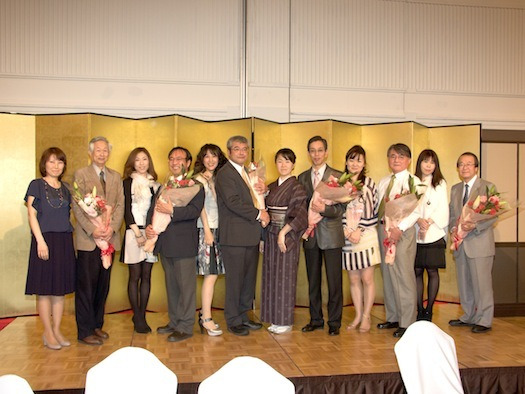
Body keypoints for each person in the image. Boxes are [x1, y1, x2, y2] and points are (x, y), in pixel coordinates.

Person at [146, 147, 205, 342]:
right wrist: (149, 227)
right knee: (171, 286)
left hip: (183, 243)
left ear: (188, 163)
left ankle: (186, 326)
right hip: (165, 242)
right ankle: (174, 321)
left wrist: (173, 211)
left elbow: (194, 211)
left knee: (186, 287)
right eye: (171, 158)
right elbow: (154, 208)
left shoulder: (195, 185)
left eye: (179, 159)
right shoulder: (166, 184)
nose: (174, 162)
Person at [72, 136, 124, 346]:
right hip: (88, 240)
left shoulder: (115, 176)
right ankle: (84, 330)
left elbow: (120, 204)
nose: (102, 153)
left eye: (105, 150)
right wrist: (93, 230)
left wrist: (111, 228)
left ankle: (96, 325)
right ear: (91, 153)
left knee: (103, 285)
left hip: (109, 238)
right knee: (86, 285)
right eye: (98, 150)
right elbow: (77, 206)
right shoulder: (81, 174)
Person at [215, 135, 270, 336]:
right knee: (235, 280)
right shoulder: (225, 173)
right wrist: (259, 214)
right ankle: (233, 319)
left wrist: (265, 189)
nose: (241, 152)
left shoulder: (247, 172)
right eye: (236, 149)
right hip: (235, 236)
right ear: (229, 151)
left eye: (244, 149)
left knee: (248, 279)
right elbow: (233, 202)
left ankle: (244, 315)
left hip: (250, 235)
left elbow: (255, 196)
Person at [24, 147, 76, 350]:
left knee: (59, 290)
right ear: (44, 164)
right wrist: (40, 241)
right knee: (45, 290)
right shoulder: (36, 185)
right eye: (52, 161)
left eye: (60, 162)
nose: (56, 166)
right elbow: (31, 214)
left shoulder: (66, 188)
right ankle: (47, 332)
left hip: (64, 240)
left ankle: (56, 329)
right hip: (44, 240)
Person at [298, 136, 345, 336]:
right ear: (308, 153)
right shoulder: (301, 178)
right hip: (310, 235)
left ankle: (334, 321)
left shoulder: (338, 176)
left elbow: (342, 208)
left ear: (326, 152)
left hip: (331, 235)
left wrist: (324, 209)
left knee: (334, 282)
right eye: (312, 150)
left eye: (320, 150)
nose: (316, 154)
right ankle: (315, 319)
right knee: (313, 280)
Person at [376, 143, 421, 338]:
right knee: (388, 274)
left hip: (403, 234)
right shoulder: (384, 181)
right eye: (393, 156)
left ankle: (407, 321)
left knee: (404, 275)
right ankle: (393, 316)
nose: (396, 160)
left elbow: (417, 211)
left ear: (408, 160)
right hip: (383, 231)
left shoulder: (414, 182)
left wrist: (398, 228)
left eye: (401, 156)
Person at [261, 148, 308, 334]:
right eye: (280, 161)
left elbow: (300, 214)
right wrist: (262, 238)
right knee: (271, 275)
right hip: (270, 233)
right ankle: (274, 317)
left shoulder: (297, 187)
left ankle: (285, 320)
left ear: (293, 164)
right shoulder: (271, 186)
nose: (283, 165)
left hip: (287, 236)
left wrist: (284, 233)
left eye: (287, 161)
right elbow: (264, 211)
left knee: (285, 276)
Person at [449, 152, 496, 333]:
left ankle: (484, 319)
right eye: (461, 164)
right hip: (460, 243)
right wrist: (454, 230)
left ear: (476, 167)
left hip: (479, 244)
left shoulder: (487, 187)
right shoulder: (455, 189)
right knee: (464, 283)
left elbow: (492, 216)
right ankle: (468, 315)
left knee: (482, 284)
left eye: (469, 164)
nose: (465, 167)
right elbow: (453, 215)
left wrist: (474, 225)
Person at [342, 145, 381, 333]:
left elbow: (376, 213)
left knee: (367, 278)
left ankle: (366, 316)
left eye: (359, 160)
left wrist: (359, 229)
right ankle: (357, 315)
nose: (354, 164)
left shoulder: (370, 184)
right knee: (354, 278)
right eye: (351, 159)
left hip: (366, 235)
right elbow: (336, 210)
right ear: (346, 162)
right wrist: (346, 230)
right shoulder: (339, 183)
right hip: (347, 237)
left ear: (364, 163)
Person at [121, 148, 160, 333]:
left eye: (145, 159)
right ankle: (136, 315)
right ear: (132, 163)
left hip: (151, 233)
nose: (142, 163)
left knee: (146, 276)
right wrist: (137, 233)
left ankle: (142, 315)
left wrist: (151, 231)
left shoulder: (155, 184)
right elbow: (126, 210)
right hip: (133, 233)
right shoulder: (127, 183)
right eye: (138, 160)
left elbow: (157, 210)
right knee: (134, 276)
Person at [193, 144, 227, 336]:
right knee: (211, 274)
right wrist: (207, 230)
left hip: (221, 229)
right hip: (206, 229)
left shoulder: (220, 178)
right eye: (206, 156)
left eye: (214, 156)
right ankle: (206, 317)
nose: (211, 160)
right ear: (202, 159)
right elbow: (201, 207)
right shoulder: (197, 179)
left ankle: (203, 315)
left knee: (213, 274)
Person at [414, 149, 449, 322]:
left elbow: (443, 208)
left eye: (432, 162)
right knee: (417, 271)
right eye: (425, 161)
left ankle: (429, 310)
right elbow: (406, 206)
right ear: (419, 163)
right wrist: (418, 220)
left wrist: (428, 221)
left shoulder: (440, 183)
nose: (428, 165)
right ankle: (419, 309)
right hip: (415, 232)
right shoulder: (412, 181)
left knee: (433, 271)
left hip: (434, 232)